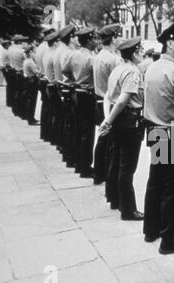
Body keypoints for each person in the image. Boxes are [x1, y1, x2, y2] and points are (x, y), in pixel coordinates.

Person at [143, 20, 174, 254]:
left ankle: (151, 230)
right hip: (172, 134)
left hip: (154, 129)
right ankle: (170, 239)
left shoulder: (152, 67)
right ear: (169, 42)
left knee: (155, 184)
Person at [99, 38, 145, 221]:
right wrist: (108, 121)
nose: (143, 52)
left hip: (118, 119)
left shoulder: (117, 69)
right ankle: (128, 210)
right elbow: (123, 99)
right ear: (134, 53)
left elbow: (108, 97)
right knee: (127, 167)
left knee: (116, 160)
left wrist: (107, 119)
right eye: (141, 50)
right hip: (128, 120)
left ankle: (114, 198)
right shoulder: (132, 72)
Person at [62, 27, 98, 178]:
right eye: (95, 38)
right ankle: (85, 167)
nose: (97, 41)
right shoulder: (91, 58)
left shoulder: (73, 54)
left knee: (78, 128)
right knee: (87, 132)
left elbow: (65, 70)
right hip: (87, 94)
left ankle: (77, 163)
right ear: (89, 41)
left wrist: (74, 79)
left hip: (76, 92)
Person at [93, 24, 123, 190]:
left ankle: (99, 172)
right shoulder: (114, 59)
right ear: (113, 38)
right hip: (110, 102)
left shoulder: (98, 56)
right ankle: (104, 175)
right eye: (118, 36)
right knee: (110, 143)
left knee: (102, 139)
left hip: (100, 99)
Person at [54, 25, 78, 166]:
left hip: (61, 88)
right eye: (75, 36)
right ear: (71, 37)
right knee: (71, 124)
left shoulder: (60, 50)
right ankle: (69, 155)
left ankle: (64, 149)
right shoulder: (67, 52)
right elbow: (67, 73)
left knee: (65, 121)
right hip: (67, 89)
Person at [22, 45, 41, 125]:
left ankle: (30, 118)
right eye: (33, 52)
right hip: (32, 81)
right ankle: (31, 119)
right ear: (30, 52)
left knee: (30, 100)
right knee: (32, 101)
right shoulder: (30, 61)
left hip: (28, 81)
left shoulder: (25, 61)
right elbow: (37, 73)